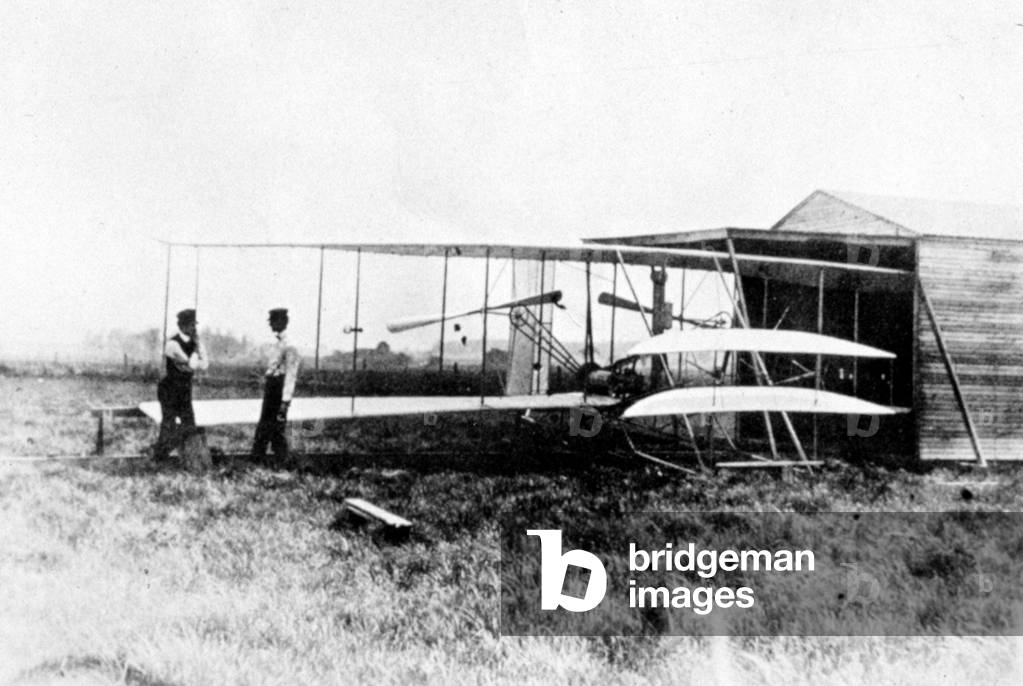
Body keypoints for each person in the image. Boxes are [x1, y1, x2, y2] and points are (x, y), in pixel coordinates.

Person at [153, 308, 208, 461]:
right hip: (169, 389)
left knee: (189, 424)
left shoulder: (195, 342)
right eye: (191, 325)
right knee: (168, 425)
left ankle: (183, 456)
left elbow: (205, 365)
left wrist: (197, 350)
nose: (194, 328)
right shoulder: (172, 344)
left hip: (184, 389)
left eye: (194, 325)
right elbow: (191, 364)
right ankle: (160, 457)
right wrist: (197, 352)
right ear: (183, 326)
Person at [252, 307, 300, 460]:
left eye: (274, 321)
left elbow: (291, 375)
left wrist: (285, 401)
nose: (271, 324)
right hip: (272, 386)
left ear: (283, 322)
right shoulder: (276, 342)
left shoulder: (290, 345)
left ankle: (277, 459)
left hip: (279, 388)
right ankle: (267, 459)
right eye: (271, 321)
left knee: (274, 427)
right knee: (266, 426)